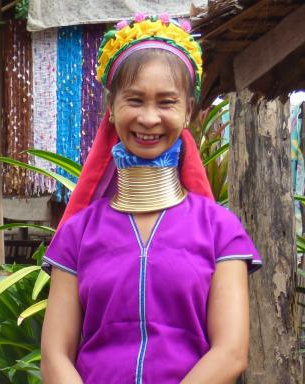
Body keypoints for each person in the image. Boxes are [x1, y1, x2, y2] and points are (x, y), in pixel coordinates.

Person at [40, 14, 262, 384]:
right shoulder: (77, 234)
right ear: (111, 109)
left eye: (166, 102)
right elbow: (54, 356)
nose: (148, 118)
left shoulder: (221, 230)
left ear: (188, 112)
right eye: (135, 100)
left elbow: (231, 352)